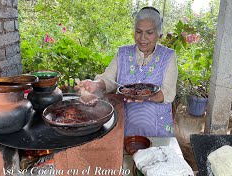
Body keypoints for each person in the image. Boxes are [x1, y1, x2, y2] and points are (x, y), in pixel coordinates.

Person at [76, 6, 178, 137]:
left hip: (157, 129)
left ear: (159, 34)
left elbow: (168, 93)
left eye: (149, 32)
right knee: (127, 155)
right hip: (127, 125)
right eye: (138, 31)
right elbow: (109, 79)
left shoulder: (168, 56)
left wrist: (145, 96)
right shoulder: (123, 53)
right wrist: (95, 84)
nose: (142, 38)